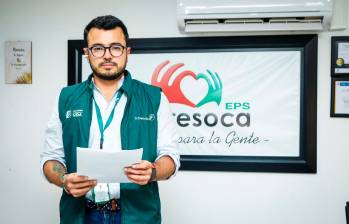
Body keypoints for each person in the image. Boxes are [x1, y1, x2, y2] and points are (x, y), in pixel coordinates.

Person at [40, 15, 180, 224]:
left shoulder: (154, 97)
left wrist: (152, 172)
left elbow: (171, 156)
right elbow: (51, 158)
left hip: (137, 215)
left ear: (127, 52)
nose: (107, 56)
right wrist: (63, 179)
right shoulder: (66, 98)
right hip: (81, 215)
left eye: (115, 47)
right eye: (98, 48)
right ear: (87, 53)